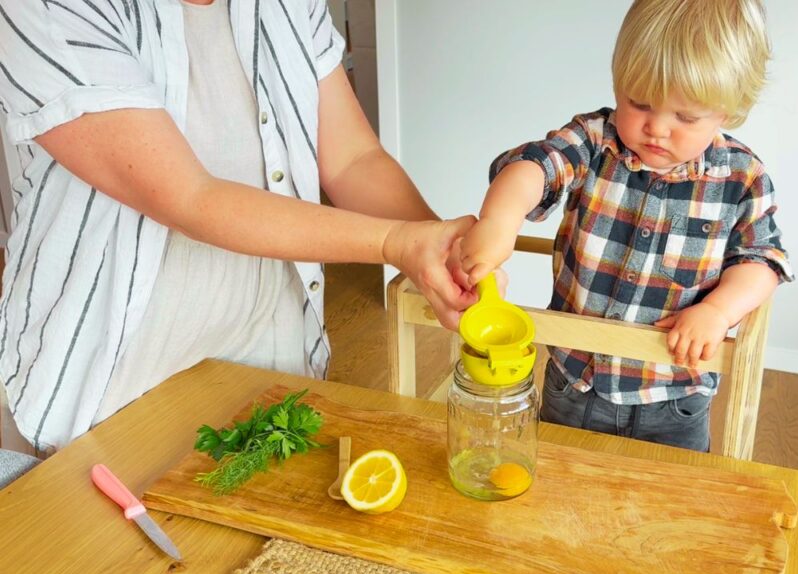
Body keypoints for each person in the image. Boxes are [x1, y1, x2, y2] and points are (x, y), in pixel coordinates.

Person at [0, 0, 474, 453]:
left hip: (269, 365)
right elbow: (191, 198)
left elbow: (353, 159)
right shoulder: (47, 7)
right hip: (111, 395)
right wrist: (396, 243)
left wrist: (445, 248)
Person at [456, 0, 793, 451]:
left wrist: (718, 312)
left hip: (674, 398)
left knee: (669, 505)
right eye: (639, 103)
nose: (656, 128)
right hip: (574, 383)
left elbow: (762, 261)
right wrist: (501, 218)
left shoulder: (741, 177)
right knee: (560, 487)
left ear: (728, 112)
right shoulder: (594, 141)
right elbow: (535, 165)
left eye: (686, 117)